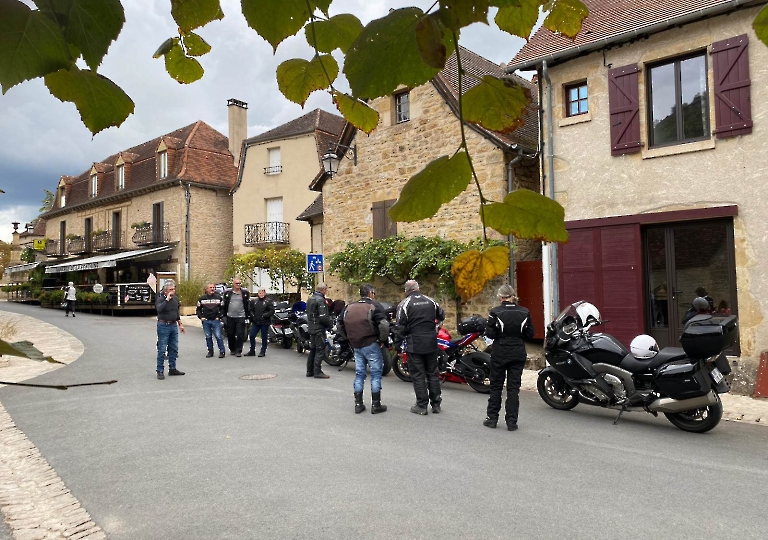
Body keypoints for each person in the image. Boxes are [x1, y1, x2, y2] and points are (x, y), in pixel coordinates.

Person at [483, 284, 534, 431]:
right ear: (513, 296)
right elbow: (530, 334)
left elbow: (490, 334)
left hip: (500, 351)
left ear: (500, 297)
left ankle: (492, 419)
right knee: (513, 388)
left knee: (496, 386)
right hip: (518, 351)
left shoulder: (495, 312)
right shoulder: (524, 311)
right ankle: (512, 422)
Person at [395, 279, 445, 415]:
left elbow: (400, 327)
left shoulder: (404, 304)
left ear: (406, 291)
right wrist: (435, 327)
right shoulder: (431, 301)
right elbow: (441, 315)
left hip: (414, 344)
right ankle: (436, 404)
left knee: (418, 375)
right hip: (431, 342)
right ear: (418, 288)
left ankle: (422, 406)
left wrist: (398, 347)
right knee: (432, 373)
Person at [338, 283, 390, 414]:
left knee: (360, 374)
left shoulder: (349, 307)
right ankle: (376, 405)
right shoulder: (375, 306)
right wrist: (382, 340)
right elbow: (384, 324)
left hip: (356, 344)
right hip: (371, 343)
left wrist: (348, 338)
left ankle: (358, 404)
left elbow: (339, 325)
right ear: (371, 293)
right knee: (376, 374)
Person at [156, 279, 185, 380]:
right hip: (163, 325)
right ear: (165, 291)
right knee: (162, 348)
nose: (173, 291)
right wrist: (167, 300)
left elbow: (176, 312)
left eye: (174, 289)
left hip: (173, 325)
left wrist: (180, 324)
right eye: (170, 289)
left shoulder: (176, 299)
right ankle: (160, 370)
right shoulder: (160, 299)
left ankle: (172, 368)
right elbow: (159, 309)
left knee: (173, 348)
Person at [306, 282, 332, 378]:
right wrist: (330, 325)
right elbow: (323, 317)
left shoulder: (310, 299)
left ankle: (310, 370)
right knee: (320, 349)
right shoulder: (320, 300)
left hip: (311, 327)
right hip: (318, 328)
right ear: (324, 290)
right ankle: (317, 371)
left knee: (313, 349)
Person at [222, 278, 251, 357]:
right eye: (237, 283)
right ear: (233, 284)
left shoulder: (244, 293)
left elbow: (248, 304)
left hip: (241, 316)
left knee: (240, 334)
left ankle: (238, 350)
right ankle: (232, 349)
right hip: (230, 316)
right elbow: (224, 304)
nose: (238, 285)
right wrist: (223, 315)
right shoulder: (228, 293)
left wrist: (248, 315)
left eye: (239, 283)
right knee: (230, 334)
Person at [197, 282, 226, 358]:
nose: (212, 289)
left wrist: (219, 317)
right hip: (206, 320)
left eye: (213, 287)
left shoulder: (219, 298)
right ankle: (210, 351)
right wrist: (201, 317)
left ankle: (222, 351)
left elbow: (223, 309)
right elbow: (198, 309)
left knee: (218, 336)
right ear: (207, 289)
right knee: (208, 336)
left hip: (215, 320)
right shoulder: (202, 298)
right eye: (211, 287)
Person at [245, 287, 274, 357]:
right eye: (260, 293)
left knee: (264, 337)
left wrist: (265, 315)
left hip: (265, 322)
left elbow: (272, 311)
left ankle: (263, 351)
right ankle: (252, 350)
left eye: (262, 293)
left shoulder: (268, 301)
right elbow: (250, 309)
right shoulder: (254, 301)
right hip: (256, 322)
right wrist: (253, 316)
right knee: (252, 335)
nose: (261, 294)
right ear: (258, 294)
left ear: (265, 293)